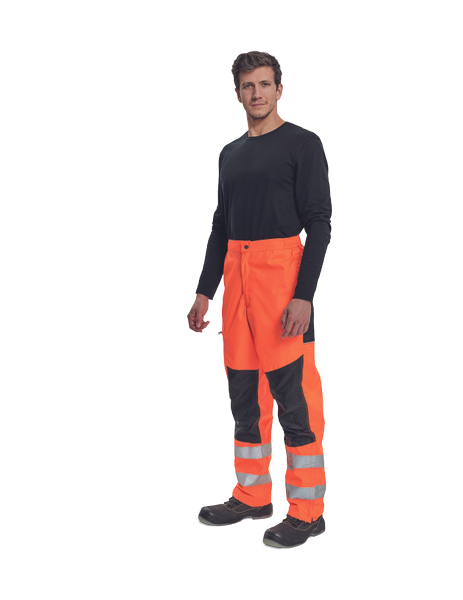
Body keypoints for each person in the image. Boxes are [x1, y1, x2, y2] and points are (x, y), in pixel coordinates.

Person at [187, 51, 332, 549]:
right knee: (245, 398)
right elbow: (220, 226)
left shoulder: (303, 144)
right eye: (248, 86)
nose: (257, 93)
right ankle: (251, 495)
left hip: (281, 281)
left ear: (279, 89)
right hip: (237, 280)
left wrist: (303, 296)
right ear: (237, 93)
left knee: (296, 400)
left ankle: (308, 511)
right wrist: (205, 291)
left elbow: (320, 224)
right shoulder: (229, 154)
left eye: (265, 84)